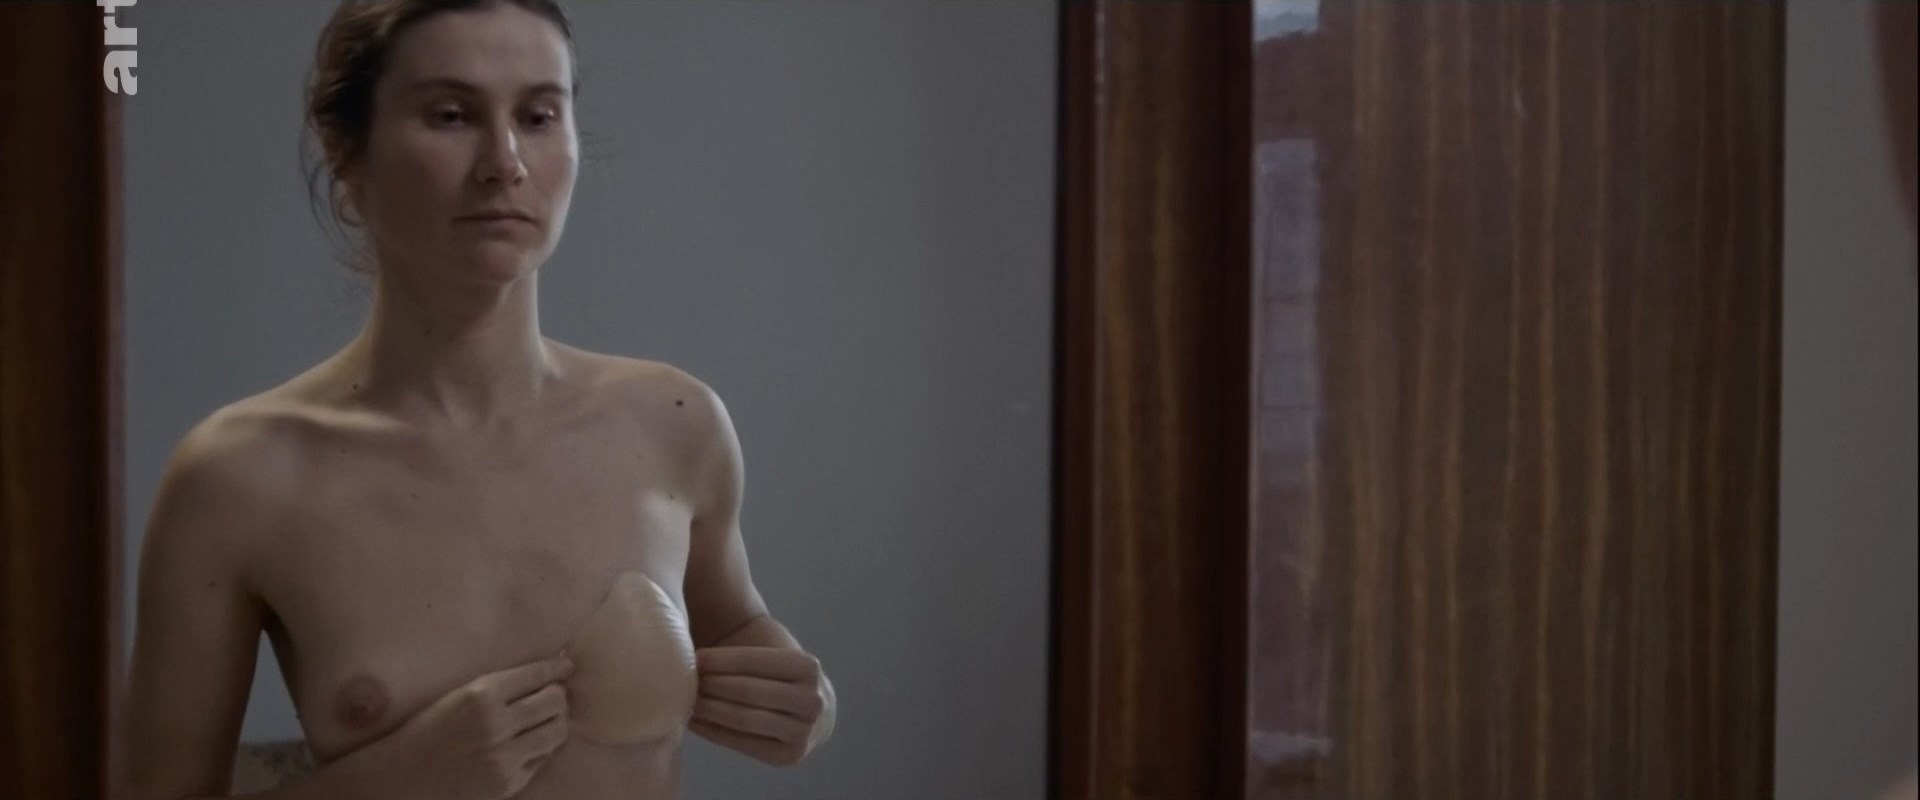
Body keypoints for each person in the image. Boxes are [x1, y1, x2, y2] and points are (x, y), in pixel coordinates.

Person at [121, 2, 835, 798]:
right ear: (348, 154)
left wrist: (805, 703)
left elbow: (739, 633)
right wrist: (390, 784)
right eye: (452, 116)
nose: (505, 163)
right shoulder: (238, 481)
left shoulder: (674, 424)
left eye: (537, 116)